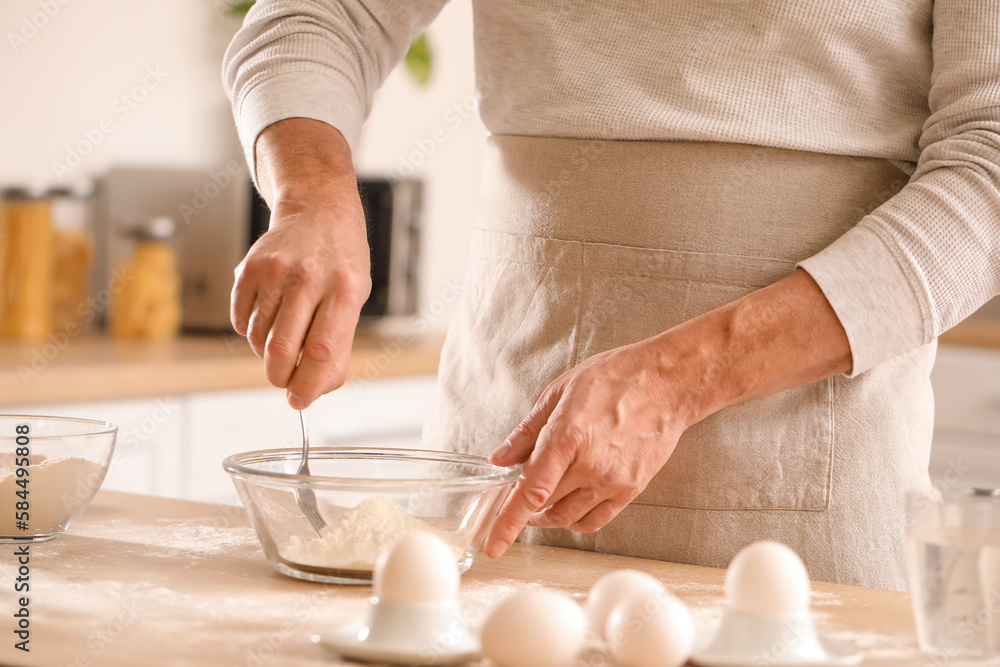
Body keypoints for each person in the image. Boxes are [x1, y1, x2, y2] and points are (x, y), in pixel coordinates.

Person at [223, 1, 1000, 591]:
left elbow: (989, 168)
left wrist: (683, 376)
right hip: (492, 467)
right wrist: (311, 194)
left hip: (798, 509)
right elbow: (318, 16)